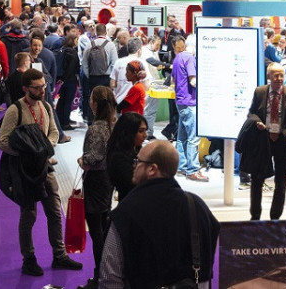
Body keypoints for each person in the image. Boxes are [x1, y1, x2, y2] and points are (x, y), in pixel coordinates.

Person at [99, 140, 220, 289]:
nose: (134, 165)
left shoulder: (125, 212)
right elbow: (205, 270)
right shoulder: (197, 206)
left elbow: (110, 277)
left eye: (138, 161)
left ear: (152, 169)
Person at [0, 68, 82, 277]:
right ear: (25, 88)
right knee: (29, 216)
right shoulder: (15, 110)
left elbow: (53, 131)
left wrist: (45, 148)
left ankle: (59, 255)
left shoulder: (46, 106)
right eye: (37, 88)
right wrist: (28, 153)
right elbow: (2, 142)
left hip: (45, 167)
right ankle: (28, 259)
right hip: (25, 172)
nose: (42, 90)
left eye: (43, 86)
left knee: (55, 212)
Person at [239, 63, 286, 220]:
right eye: (275, 75)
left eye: (281, 75)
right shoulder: (260, 92)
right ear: (269, 76)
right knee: (257, 179)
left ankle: (275, 217)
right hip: (263, 139)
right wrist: (257, 122)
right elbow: (251, 113)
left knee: (281, 180)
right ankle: (255, 216)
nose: (279, 78)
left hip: (282, 140)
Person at [76, 86, 116, 289]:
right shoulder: (113, 124)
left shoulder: (97, 128)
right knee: (104, 224)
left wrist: (82, 160)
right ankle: (105, 272)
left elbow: (93, 157)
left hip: (96, 180)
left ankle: (100, 274)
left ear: (95, 104)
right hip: (108, 179)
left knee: (96, 230)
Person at [171, 36, 206, 182]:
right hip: (190, 101)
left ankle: (182, 166)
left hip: (180, 101)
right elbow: (193, 81)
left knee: (182, 137)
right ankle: (193, 170)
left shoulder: (177, 58)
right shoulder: (190, 58)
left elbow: (173, 80)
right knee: (193, 137)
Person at [106, 111, 149, 202]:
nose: (145, 135)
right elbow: (133, 184)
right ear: (129, 132)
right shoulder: (118, 157)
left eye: (145, 131)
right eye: (141, 131)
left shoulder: (138, 150)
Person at [82, 23, 118, 106]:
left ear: (96, 32)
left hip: (93, 77)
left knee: (94, 100)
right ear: (106, 32)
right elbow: (114, 63)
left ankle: (93, 114)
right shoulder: (111, 45)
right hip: (106, 78)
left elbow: (84, 63)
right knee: (106, 100)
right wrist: (112, 77)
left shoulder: (89, 44)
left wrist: (88, 75)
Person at [57, 33, 81, 130]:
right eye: (76, 39)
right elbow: (72, 68)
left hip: (61, 80)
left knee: (62, 100)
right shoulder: (73, 52)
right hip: (70, 80)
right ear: (73, 40)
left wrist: (62, 79)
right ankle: (65, 123)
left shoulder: (63, 49)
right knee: (68, 102)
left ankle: (59, 121)